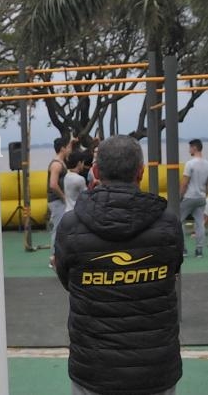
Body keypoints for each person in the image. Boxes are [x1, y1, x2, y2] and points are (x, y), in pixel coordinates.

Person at [55, 135, 183, 395]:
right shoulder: (168, 223)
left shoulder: (70, 226)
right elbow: (173, 269)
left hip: (94, 368)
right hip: (155, 369)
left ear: (97, 171)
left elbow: (68, 280)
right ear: (141, 172)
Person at [180, 138, 208, 257]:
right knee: (200, 223)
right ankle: (199, 250)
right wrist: (205, 196)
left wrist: (179, 196)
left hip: (189, 197)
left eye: (190, 147)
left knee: (178, 220)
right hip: (201, 197)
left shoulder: (190, 164)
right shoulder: (207, 164)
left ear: (195, 148)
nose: (189, 150)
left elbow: (184, 183)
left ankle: (183, 249)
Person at [47, 136, 72, 267]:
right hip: (57, 201)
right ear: (63, 148)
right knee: (57, 229)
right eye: (68, 147)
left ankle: (59, 256)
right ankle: (53, 258)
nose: (69, 150)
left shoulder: (62, 163)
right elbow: (53, 184)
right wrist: (64, 197)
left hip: (60, 201)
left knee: (62, 228)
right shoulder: (56, 164)